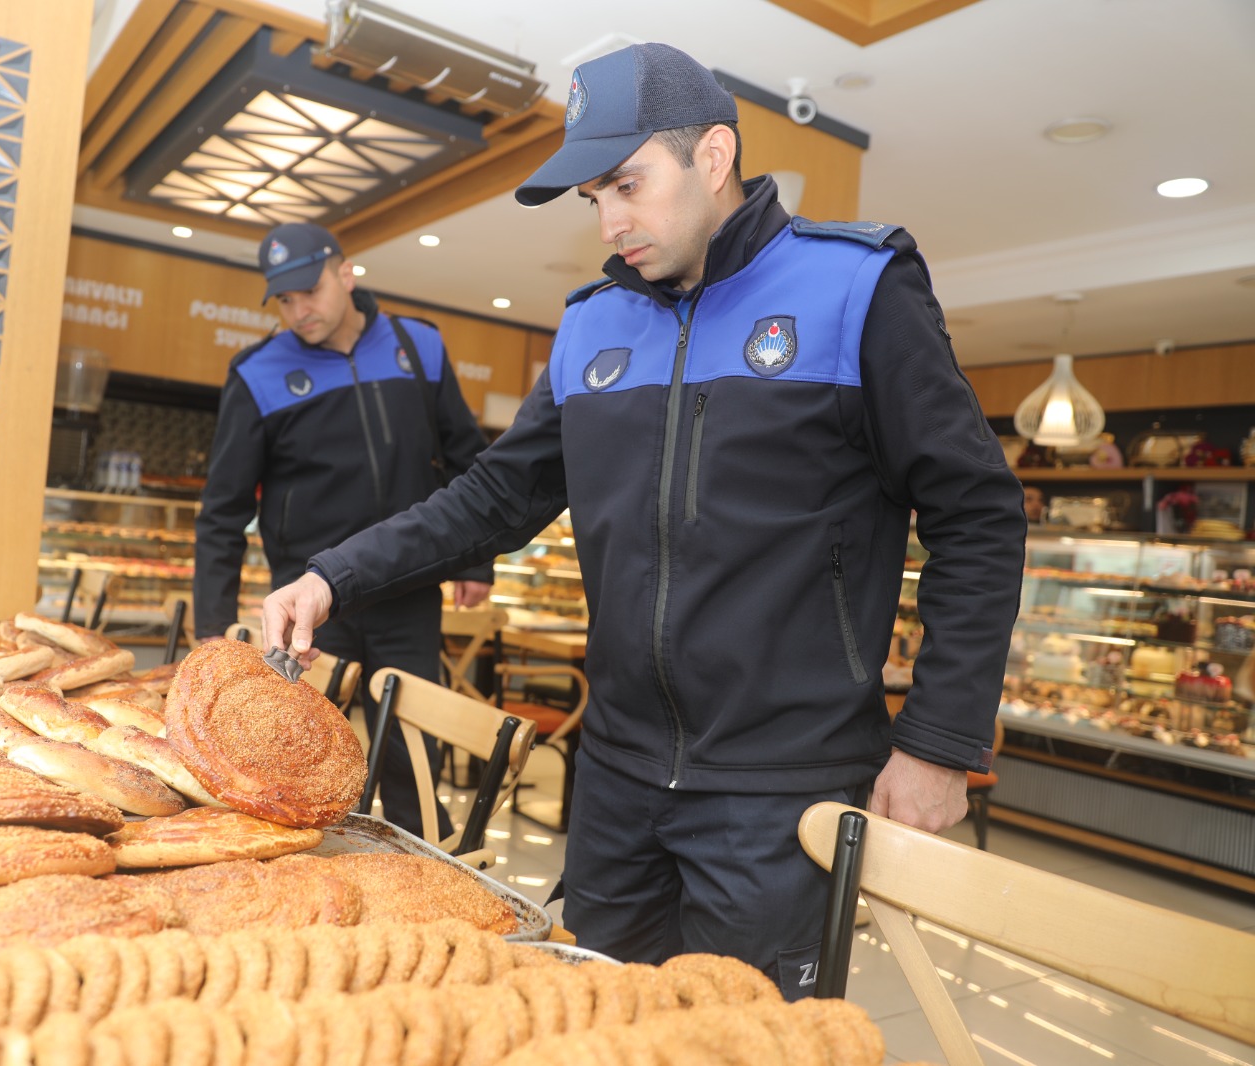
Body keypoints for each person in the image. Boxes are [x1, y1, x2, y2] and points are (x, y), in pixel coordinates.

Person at [260, 43, 1026, 996]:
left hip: (780, 792)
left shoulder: (857, 288)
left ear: (713, 156)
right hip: (617, 780)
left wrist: (939, 742)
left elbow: (979, 511)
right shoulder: (590, 325)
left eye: (629, 183)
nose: (611, 220)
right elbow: (494, 497)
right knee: (596, 1027)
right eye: (594, 198)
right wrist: (334, 575)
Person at [193, 221, 493, 839]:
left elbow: (467, 458)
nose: (299, 309)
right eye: (284, 299)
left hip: (409, 590)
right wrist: (209, 635)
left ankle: (421, 891)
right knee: (301, 767)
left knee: (413, 765)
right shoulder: (257, 372)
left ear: (346, 272)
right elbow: (222, 510)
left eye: (309, 290)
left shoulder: (420, 346)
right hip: (308, 609)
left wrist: (474, 561)